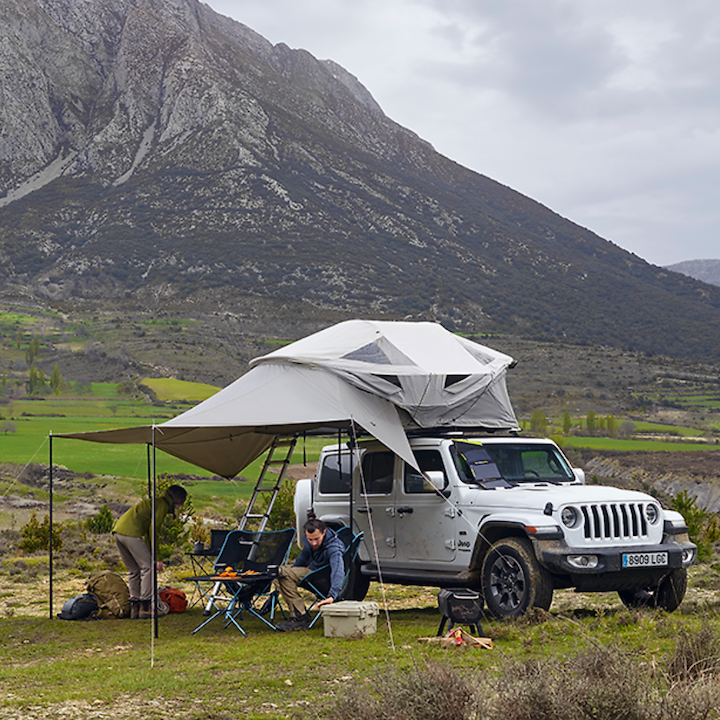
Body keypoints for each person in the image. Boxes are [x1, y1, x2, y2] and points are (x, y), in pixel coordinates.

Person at [113, 484, 187, 619]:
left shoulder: (156, 501)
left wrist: (151, 552)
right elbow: (153, 530)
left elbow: (148, 532)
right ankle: (146, 607)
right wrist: (157, 557)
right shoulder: (162, 505)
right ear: (179, 499)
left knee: (134, 570)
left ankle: (134, 608)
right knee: (148, 568)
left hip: (119, 531)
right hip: (131, 533)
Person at [274, 517, 345, 631]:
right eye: (310, 539)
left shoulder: (334, 548)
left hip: (320, 577)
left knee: (284, 573)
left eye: (317, 539)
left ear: (324, 532)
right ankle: (295, 611)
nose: (313, 543)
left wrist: (332, 595)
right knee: (277, 571)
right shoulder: (310, 543)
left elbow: (338, 571)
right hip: (311, 571)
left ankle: (300, 616)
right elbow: (299, 563)